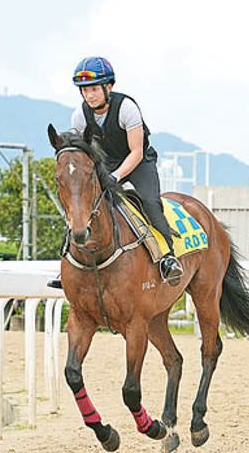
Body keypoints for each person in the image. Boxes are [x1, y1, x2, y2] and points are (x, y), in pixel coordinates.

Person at [47, 56, 183, 289]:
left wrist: (116, 176)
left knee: (150, 202)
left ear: (108, 87)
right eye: (84, 91)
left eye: (93, 89)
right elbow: (80, 152)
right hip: (104, 164)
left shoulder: (127, 109)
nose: (89, 95)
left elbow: (137, 152)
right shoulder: (79, 115)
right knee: (80, 203)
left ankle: (168, 258)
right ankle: (68, 263)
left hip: (138, 163)